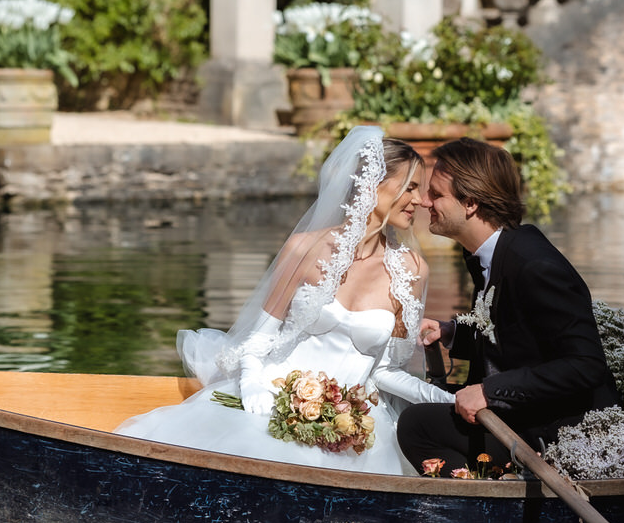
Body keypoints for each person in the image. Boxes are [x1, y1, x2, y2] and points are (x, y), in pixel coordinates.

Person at [115, 126, 453, 475]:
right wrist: (251, 386)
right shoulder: (304, 249)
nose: (420, 201)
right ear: (372, 185)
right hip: (273, 398)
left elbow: (386, 371)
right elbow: (258, 338)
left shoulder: (412, 270)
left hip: (353, 423)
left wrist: (444, 400)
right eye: (410, 187)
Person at [397, 137, 621, 477]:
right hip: (523, 410)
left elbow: (587, 365)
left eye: (436, 194)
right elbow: (515, 335)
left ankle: (480, 507)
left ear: (470, 203)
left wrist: (489, 391)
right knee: (422, 400)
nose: (425, 202)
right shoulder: (488, 253)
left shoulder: (534, 265)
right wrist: (452, 332)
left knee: (417, 424)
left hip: (556, 430)